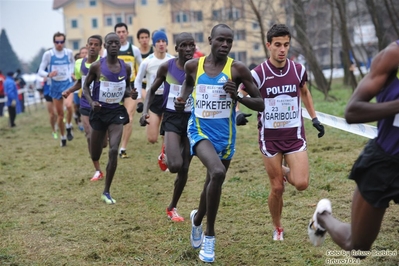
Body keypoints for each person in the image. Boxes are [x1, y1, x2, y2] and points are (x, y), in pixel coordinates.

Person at [174, 24, 264, 263]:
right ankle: (210, 236)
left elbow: (260, 103)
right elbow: (189, 83)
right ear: (210, 39)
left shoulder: (237, 69)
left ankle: (196, 219)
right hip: (199, 130)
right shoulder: (194, 65)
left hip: (225, 136)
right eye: (220, 40)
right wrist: (182, 99)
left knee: (212, 182)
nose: (225, 45)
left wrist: (238, 96)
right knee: (217, 172)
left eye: (229, 42)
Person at [308, 40, 399, 257]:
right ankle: (322, 217)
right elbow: (352, 112)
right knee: (357, 247)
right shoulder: (392, 55)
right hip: (384, 163)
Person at [240, 24, 325, 241]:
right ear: (268, 45)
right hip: (269, 138)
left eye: (286, 45)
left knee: (302, 183)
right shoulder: (258, 73)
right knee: (277, 188)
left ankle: (284, 169)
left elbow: (304, 91)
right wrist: (237, 112)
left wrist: (314, 118)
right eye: (277, 45)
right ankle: (277, 226)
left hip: (294, 136)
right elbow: (240, 91)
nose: (282, 49)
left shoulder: (298, 70)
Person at [139, 32, 196, 221]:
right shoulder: (167, 67)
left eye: (191, 45)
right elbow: (152, 91)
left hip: (192, 119)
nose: (188, 49)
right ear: (176, 48)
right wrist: (144, 111)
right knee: (174, 166)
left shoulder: (199, 67)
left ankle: (172, 207)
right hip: (171, 118)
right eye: (184, 45)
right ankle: (165, 153)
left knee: (185, 168)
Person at [83, 32, 138, 204]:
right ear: (105, 46)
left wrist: (132, 93)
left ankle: (106, 191)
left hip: (116, 112)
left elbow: (126, 89)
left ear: (120, 46)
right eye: (110, 43)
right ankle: (97, 164)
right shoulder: (97, 67)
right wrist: (92, 103)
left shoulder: (125, 67)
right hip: (99, 113)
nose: (114, 45)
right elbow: (85, 88)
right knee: (96, 151)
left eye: (116, 43)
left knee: (113, 150)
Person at [62, 35, 105, 181]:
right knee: (89, 135)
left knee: (103, 142)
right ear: (86, 46)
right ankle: (98, 170)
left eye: (96, 44)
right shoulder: (79, 63)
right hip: (86, 104)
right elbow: (81, 83)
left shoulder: (104, 63)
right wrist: (69, 90)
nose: (92, 47)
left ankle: (104, 137)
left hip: (102, 105)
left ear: (100, 47)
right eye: (90, 44)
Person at [102, 22, 142, 159]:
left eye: (123, 31)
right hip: (112, 88)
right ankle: (110, 136)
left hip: (128, 87)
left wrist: (137, 87)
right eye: (118, 32)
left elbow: (141, 69)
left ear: (127, 33)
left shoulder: (134, 50)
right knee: (109, 116)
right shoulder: (107, 51)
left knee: (129, 117)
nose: (121, 34)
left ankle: (123, 148)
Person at [135, 31, 174, 169]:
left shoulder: (171, 60)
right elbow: (138, 81)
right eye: (158, 41)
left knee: (167, 131)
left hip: (168, 99)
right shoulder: (147, 62)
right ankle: (164, 152)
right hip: (153, 99)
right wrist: (139, 98)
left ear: (167, 43)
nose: (161, 44)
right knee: (152, 138)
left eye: (164, 41)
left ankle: (165, 155)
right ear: (154, 44)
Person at [38, 32, 75, 146]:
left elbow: (73, 64)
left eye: (61, 42)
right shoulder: (48, 54)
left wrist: (70, 74)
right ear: (53, 42)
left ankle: (69, 125)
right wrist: (49, 74)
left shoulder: (68, 53)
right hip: (54, 86)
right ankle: (63, 137)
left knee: (69, 106)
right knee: (59, 115)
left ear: (64, 42)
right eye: (57, 42)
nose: (59, 44)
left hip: (67, 84)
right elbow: (40, 71)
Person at [135, 28, 154, 113]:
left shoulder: (154, 52)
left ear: (149, 38)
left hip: (153, 83)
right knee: (148, 99)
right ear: (138, 40)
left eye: (146, 37)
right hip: (142, 83)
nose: (144, 40)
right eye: (142, 38)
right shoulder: (136, 52)